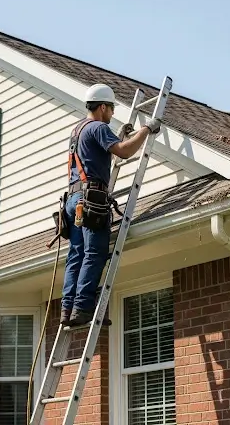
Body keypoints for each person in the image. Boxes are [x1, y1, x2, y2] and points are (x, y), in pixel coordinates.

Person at [61, 83, 161, 326]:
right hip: (91, 198)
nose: (113, 114)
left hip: (74, 200)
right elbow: (124, 153)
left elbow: (105, 153)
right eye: (112, 109)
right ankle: (83, 307)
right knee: (94, 253)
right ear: (103, 107)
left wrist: (120, 136)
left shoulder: (78, 129)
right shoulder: (98, 127)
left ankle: (67, 309)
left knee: (77, 254)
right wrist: (146, 129)